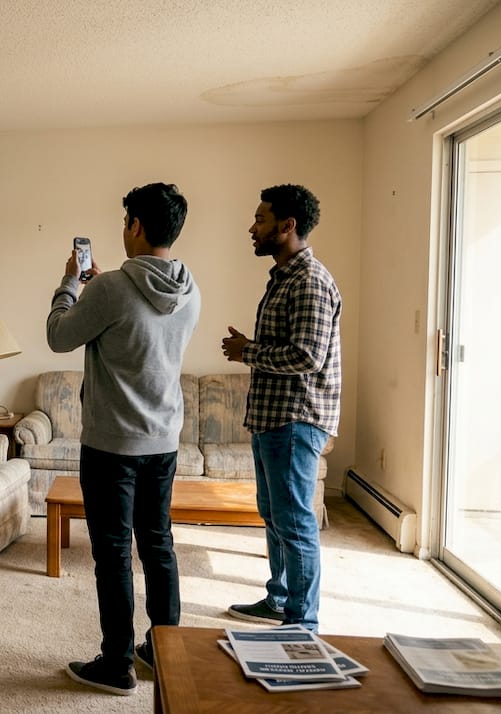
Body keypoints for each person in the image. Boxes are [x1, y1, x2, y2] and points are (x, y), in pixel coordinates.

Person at [47, 183, 201, 696]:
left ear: (135, 225)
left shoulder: (109, 288)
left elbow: (58, 335)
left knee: (113, 552)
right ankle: (166, 650)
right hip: (164, 440)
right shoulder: (190, 289)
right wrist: (98, 290)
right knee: (158, 544)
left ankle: (116, 664)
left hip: (112, 444)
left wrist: (70, 285)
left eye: (125, 221)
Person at [221, 184, 341, 633]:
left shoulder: (310, 281)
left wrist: (248, 352)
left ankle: (302, 622)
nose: (252, 228)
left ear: (287, 225)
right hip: (274, 418)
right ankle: (279, 600)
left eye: (261, 219)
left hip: (296, 420)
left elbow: (307, 356)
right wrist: (251, 348)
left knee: (295, 523)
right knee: (275, 516)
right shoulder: (285, 277)